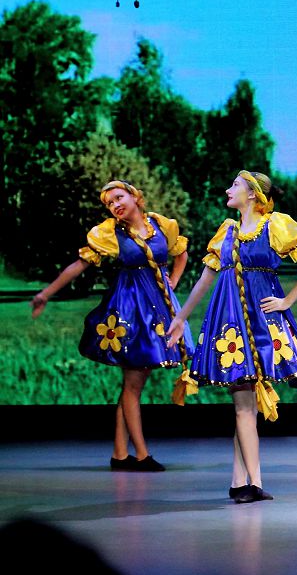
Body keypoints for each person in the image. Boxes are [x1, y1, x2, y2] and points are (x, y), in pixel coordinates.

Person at [167, 171, 297, 503]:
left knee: (245, 405)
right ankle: (248, 483)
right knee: (243, 404)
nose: (228, 189)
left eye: (235, 185)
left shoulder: (275, 225)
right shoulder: (226, 232)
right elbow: (205, 280)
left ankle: (245, 482)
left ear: (252, 193)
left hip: (261, 321)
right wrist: (180, 317)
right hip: (230, 321)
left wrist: (287, 301)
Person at [31, 180, 192, 472]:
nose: (115, 205)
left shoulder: (160, 225)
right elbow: (79, 265)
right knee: (133, 383)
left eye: (119, 197)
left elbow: (181, 253)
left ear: (134, 196)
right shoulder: (111, 233)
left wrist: (173, 282)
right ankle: (141, 455)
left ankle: (120, 454)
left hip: (158, 307)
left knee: (134, 384)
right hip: (132, 310)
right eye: (109, 203)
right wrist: (46, 293)